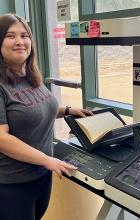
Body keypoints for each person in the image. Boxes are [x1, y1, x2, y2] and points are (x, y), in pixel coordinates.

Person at [0, 13, 92, 220]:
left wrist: (67, 111)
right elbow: (1, 138)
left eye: (24, 35)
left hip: (40, 176)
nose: (19, 42)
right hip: (11, 184)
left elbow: (33, 109)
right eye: (10, 36)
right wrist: (47, 160)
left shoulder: (30, 76)